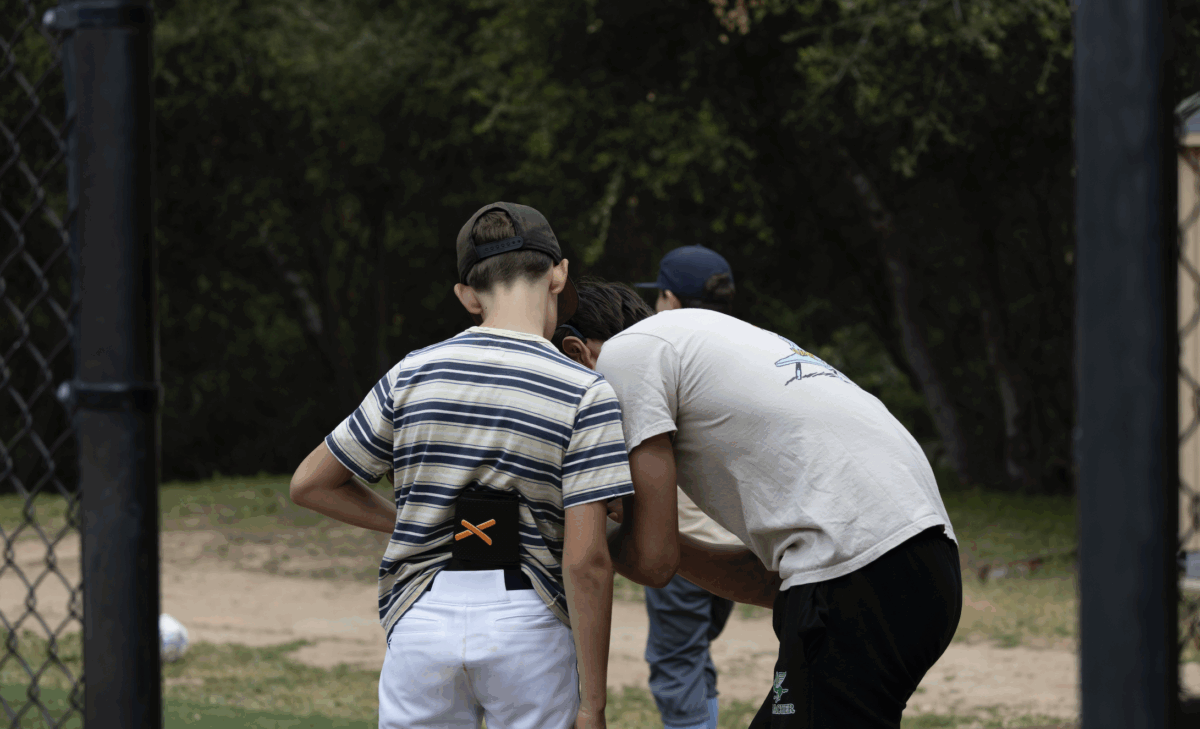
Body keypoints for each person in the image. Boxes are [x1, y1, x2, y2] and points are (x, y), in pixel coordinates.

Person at [553, 281, 962, 729]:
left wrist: (580, 528)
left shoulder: (624, 356)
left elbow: (652, 563)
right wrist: (644, 539)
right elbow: (769, 583)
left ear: (575, 352)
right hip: (923, 569)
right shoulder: (705, 342)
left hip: (859, 575)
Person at [290, 203, 634, 729]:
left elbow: (311, 484)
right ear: (559, 274)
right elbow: (586, 561)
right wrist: (593, 705)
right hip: (530, 624)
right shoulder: (585, 392)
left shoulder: (411, 374)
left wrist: (417, 524)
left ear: (468, 295)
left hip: (422, 619)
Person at [630, 245, 745, 729]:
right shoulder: (746, 351)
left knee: (676, 661)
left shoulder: (663, 352)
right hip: (742, 540)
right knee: (693, 655)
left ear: (671, 300)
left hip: (687, 542)